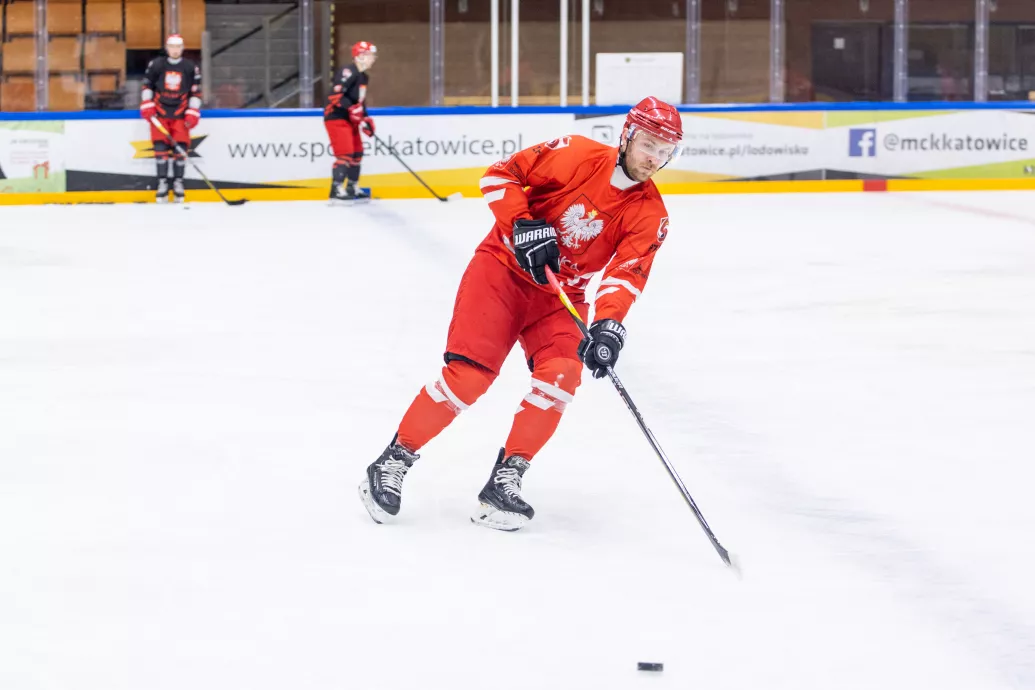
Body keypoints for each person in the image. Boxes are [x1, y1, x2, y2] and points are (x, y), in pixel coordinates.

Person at [359, 97, 683, 531]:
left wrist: (608, 325)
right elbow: (498, 175)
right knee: (469, 377)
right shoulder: (576, 154)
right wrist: (522, 222)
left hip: (560, 296)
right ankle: (392, 461)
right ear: (626, 135)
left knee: (562, 375)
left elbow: (626, 275)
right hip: (502, 271)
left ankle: (504, 481)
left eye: (665, 150)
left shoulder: (651, 213)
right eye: (648, 145)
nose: (654, 158)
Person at [140, 34, 202, 204]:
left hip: (180, 114)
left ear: (182, 48)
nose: (175, 50)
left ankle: (178, 182)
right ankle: (162, 183)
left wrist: (193, 111)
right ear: (167, 48)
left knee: (180, 150)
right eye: (172, 47)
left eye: (178, 47)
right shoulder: (156, 64)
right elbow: (147, 85)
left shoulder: (190, 67)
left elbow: (195, 92)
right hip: (159, 114)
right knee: (160, 150)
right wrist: (147, 103)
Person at [324, 41, 377, 202]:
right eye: (370, 55)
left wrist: (365, 118)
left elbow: (359, 101)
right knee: (345, 153)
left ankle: (352, 187)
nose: (373, 58)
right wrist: (351, 109)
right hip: (337, 117)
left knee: (357, 153)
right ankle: (336, 189)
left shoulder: (364, 77)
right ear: (359, 56)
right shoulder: (348, 71)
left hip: (350, 119)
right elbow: (335, 95)